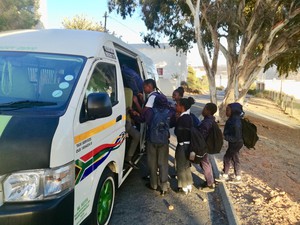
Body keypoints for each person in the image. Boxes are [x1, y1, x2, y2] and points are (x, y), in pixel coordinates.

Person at [130, 78, 172, 196]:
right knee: (163, 163)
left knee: (152, 162)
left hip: (151, 138)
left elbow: (142, 119)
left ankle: (153, 184)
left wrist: (133, 114)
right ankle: (164, 187)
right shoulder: (169, 112)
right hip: (163, 140)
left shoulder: (151, 111)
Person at [216, 102, 244, 183]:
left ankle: (225, 175)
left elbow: (236, 136)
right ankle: (237, 176)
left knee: (227, 158)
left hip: (236, 143)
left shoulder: (235, 122)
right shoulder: (233, 119)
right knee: (235, 158)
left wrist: (224, 137)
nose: (226, 112)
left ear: (234, 111)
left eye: (228, 110)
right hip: (236, 143)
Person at [173, 97, 195, 195]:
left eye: (177, 105)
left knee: (180, 167)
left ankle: (183, 187)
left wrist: (177, 121)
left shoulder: (182, 118)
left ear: (182, 107)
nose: (175, 106)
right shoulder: (189, 117)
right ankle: (189, 184)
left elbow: (178, 132)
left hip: (182, 145)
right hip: (189, 144)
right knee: (186, 166)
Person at [197, 103, 218, 192]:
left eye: (204, 108)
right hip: (205, 146)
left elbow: (201, 136)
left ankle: (210, 184)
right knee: (204, 163)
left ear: (208, 111)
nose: (203, 110)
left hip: (203, 146)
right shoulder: (209, 120)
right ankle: (209, 181)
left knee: (205, 163)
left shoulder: (207, 122)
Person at [124, 87, 141, 170]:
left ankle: (128, 158)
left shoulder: (129, 91)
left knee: (137, 135)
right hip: (121, 122)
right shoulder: (126, 91)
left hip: (127, 121)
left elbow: (129, 109)